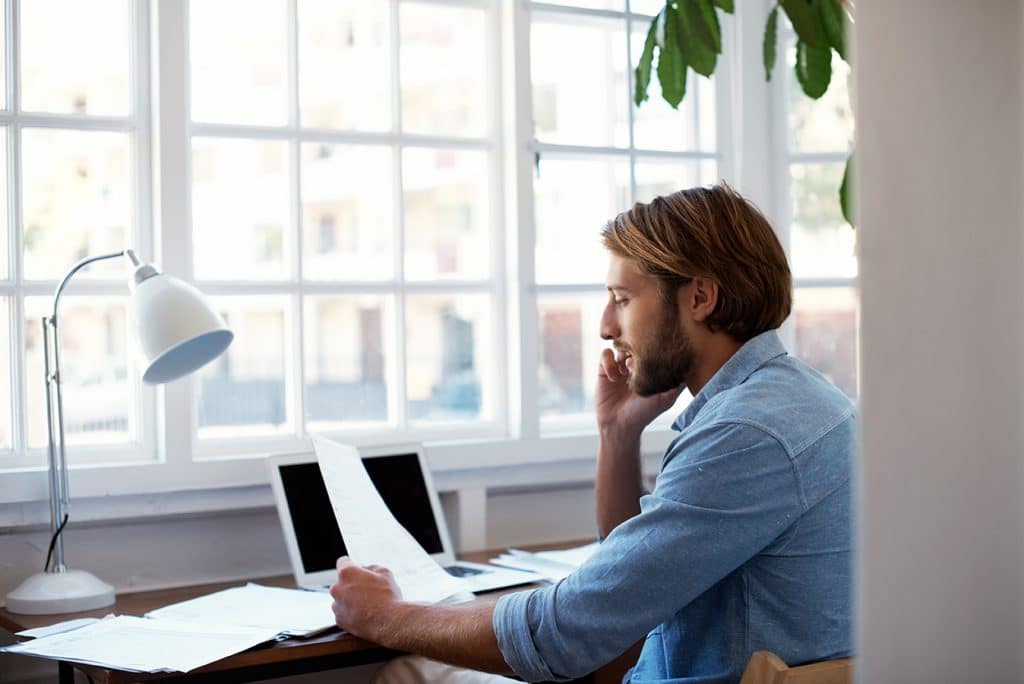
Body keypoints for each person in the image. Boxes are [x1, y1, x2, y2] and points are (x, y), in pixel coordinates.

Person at [329, 183, 854, 683]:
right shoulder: (812, 403)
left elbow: (567, 635)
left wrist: (386, 616)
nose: (606, 326)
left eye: (622, 299)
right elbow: (629, 577)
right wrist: (617, 434)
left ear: (700, 298)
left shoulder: (743, 434)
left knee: (407, 672)